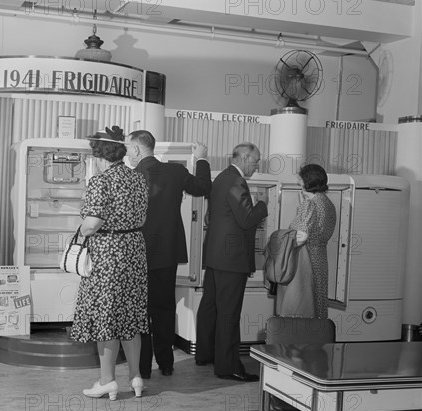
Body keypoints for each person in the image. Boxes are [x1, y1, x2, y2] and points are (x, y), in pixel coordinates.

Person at [69, 126, 149, 400]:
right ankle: (136, 377)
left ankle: (107, 381)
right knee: (130, 317)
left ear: (99, 156)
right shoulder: (137, 179)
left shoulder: (101, 181)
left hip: (108, 254)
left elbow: (92, 224)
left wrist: (79, 232)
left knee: (107, 317)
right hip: (134, 252)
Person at [126, 130, 211, 379]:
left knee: (140, 312)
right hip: (166, 253)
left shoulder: (130, 178)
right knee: (163, 308)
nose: (127, 153)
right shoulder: (176, 172)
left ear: (138, 149)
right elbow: (203, 187)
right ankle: (166, 363)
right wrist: (201, 158)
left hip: (137, 255)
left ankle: (142, 369)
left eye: (128, 148)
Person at [195, 142, 268, 382]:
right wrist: (262, 205)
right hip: (231, 259)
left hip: (216, 256)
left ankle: (205, 354)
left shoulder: (221, 178)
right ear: (245, 157)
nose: (256, 166)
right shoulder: (237, 182)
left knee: (210, 307)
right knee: (229, 312)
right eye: (256, 161)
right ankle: (228, 367)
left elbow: (211, 216)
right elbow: (247, 219)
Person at [276, 164, 337, 319]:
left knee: (302, 305)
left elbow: (300, 236)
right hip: (320, 259)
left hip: (305, 260)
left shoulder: (309, 204)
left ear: (307, 182)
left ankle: (299, 342)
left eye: (301, 180)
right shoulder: (328, 203)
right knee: (318, 305)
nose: (300, 183)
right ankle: (317, 341)